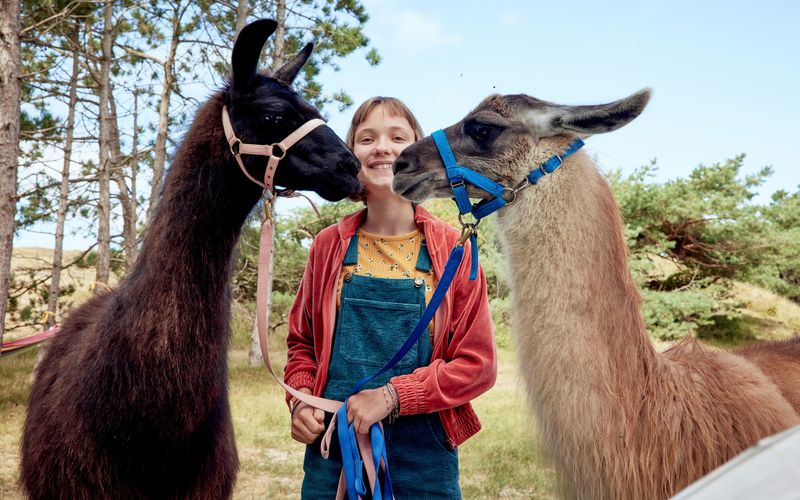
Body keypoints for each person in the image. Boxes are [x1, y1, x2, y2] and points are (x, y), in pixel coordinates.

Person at [284, 96, 497, 498]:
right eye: (367, 139)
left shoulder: (455, 249)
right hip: (334, 455)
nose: (382, 146)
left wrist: (392, 396)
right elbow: (302, 345)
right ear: (351, 156)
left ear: (416, 151)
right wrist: (301, 400)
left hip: (425, 461)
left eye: (397, 137)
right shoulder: (328, 247)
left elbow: (478, 365)